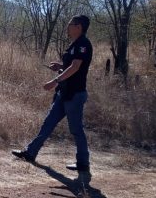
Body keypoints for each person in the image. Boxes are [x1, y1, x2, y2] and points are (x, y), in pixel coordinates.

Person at [12, 14, 94, 176]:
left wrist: (54, 81)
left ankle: (83, 163)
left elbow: (76, 67)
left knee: (76, 130)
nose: (67, 26)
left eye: (70, 24)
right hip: (63, 93)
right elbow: (70, 65)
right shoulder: (74, 44)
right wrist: (60, 66)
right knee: (47, 124)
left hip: (75, 95)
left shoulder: (83, 44)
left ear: (79, 26)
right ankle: (30, 153)